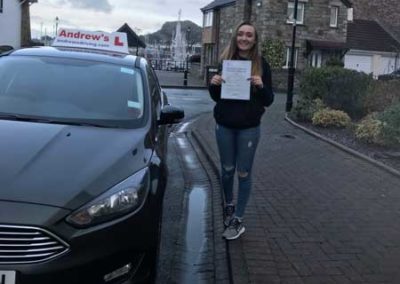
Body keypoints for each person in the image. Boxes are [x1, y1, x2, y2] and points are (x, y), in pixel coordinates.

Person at [209, 22, 274, 240]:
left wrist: (261, 85)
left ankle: (238, 218)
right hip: (225, 126)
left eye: (249, 35)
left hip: (248, 129)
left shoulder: (262, 65)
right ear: (235, 37)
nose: (244, 38)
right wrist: (214, 84)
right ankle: (228, 204)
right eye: (240, 34)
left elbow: (270, 100)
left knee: (243, 173)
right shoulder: (225, 61)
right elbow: (216, 97)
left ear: (255, 40)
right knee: (227, 169)